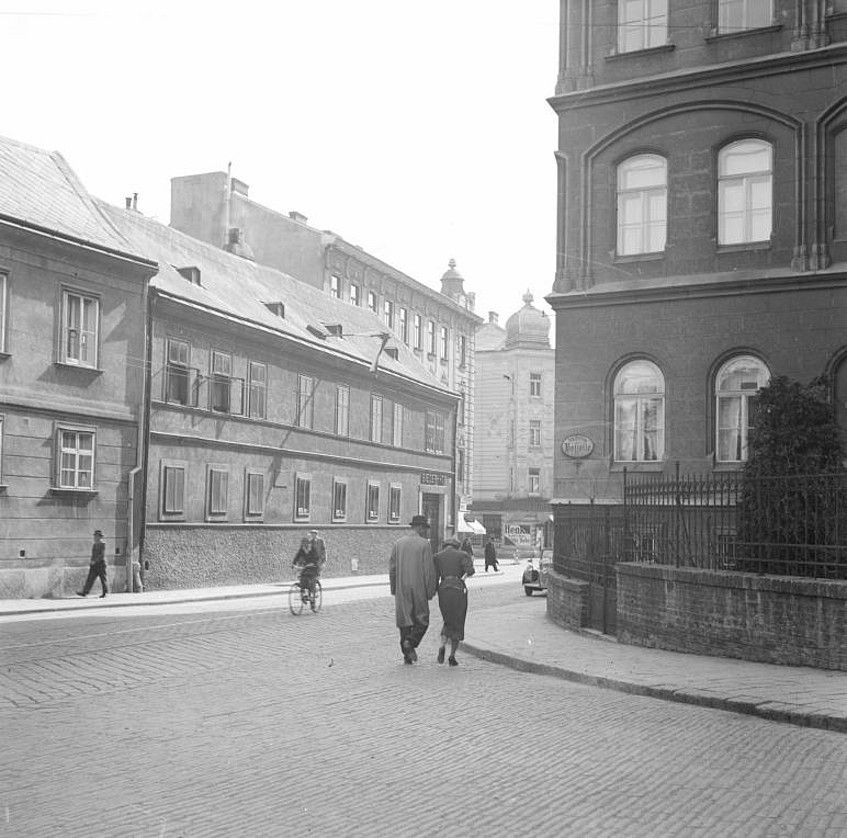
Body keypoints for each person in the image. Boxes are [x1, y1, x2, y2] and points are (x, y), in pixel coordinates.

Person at [389, 515, 437, 664]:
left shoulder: (398, 543)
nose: (425, 531)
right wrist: (430, 590)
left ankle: (406, 654)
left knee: (405, 621)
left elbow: (392, 568)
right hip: (418, 586)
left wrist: (394, 587)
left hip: (402, 586)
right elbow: (429, 570)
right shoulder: (424, 544)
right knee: (422, 619)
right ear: (420, 527)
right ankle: (411, 641)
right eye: (425, 528)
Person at [434, 533, 475, 666]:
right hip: (458, 588)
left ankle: (442, 645)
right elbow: (470, 570)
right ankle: (452, 656)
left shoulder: (438, 556)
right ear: (457, 546)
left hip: (443, 589)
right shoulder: (462, 555)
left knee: (447, 620)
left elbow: (434, 576)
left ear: (445, 546)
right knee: (458, 620)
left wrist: (435, 590)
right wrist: (462, 578)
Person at [293, 529, 326, 610]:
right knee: (302, 578)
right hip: (306, 566)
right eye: (303, 543)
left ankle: (312, 601)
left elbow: (317, 556)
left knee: (312, 581)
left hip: (314, 566)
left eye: (306, 543)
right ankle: (303, 594)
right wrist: (293, 564)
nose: (304, 545)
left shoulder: (313, 549)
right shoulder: (302, 549)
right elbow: (297, 556)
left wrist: (316, 563)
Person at [78, 530, 108, 598]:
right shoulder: (94, 544)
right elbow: (93, 554)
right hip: (94, 564)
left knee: (103, 579)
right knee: (90, 578)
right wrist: (91, 562)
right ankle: (85, 592)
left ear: (99, 537)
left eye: (95, 536)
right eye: (94, 536)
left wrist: (95, 561)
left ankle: (105, 592)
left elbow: (102, 555)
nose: (94, 537)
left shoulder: (102, 544)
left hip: (101, 564)